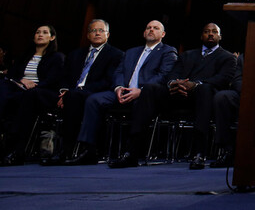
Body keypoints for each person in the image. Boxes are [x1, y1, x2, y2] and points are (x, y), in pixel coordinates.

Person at [67, 20, 177, 166]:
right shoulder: (131, 52)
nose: (151, 30)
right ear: (144, 33)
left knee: (142, 102)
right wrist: (118, 87)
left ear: (162, 34)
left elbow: (164, 75)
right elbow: (118, 72)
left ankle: (131, 153)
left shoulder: (168, 51)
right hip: (122, 92)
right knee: (94, 100)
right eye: (148, 27)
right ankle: (89, 150)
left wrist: (140, 91)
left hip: (145, 95)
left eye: (155, 28)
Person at [44, 19, 123, 165]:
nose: (97, 33)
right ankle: (63, 151)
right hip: (72, 94)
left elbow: (108, 81)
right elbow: (64, 77)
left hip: (94, 93)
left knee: (74, 98)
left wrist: (78, 91)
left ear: (108, 34)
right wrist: (65, 91)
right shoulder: (75, 54)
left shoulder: (116, 55)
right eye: (93, 30)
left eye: (101, 30)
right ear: (88, 35)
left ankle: (67, 150)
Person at [161, 23, 236, 170]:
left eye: (214, 32)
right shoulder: (187, 55)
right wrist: (175, 83)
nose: (210, 34)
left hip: (207, 98)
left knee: (205, 90)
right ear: (201, 36)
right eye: (207, 31)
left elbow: (223, 79)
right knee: (151, 89)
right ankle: (131, 152)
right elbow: (173, 73)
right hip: (180, 93)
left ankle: (199, 153)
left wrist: (196, 85)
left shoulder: (227, 57)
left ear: (220, 36)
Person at [0, 25, 65, 166]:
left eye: (45, 32)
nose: (40, 35)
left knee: (28, 96)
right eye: (37, 32)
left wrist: (34, 85)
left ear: (52, 37)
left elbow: (53, 79)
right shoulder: (24, 57)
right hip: (20, 89)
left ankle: (17, 150)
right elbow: (12, 75)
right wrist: (21, 80)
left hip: (43, 92)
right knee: (3, 87)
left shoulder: (57, 57)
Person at [211, 53, 243, 168]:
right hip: (246, 95)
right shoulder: (244, 57)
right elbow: (238, 80)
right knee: (222, 97)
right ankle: (227, 151)